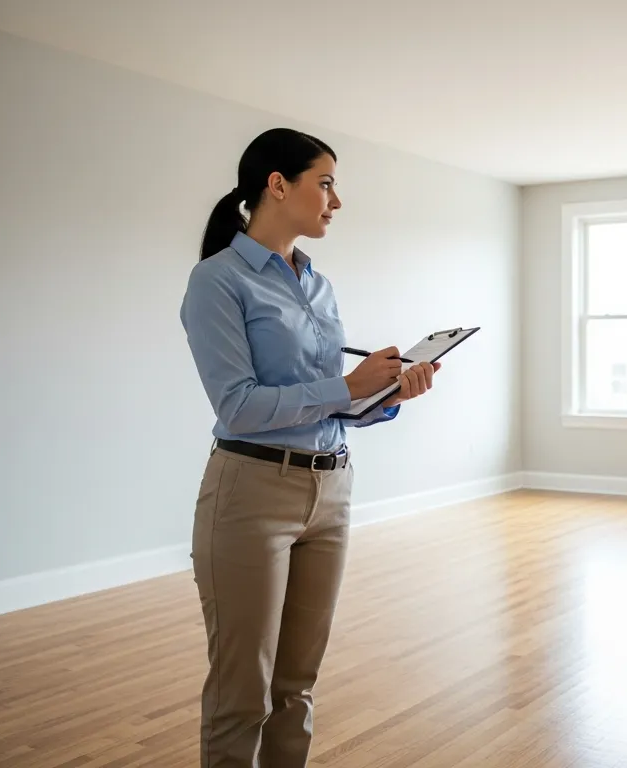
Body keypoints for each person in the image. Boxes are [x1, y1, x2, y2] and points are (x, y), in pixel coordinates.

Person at [179, 127, 439, 767]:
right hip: (251, 495)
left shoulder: (318, 285)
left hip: (332, 489)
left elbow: (326, 403)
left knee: (296, 687)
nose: (336, 201)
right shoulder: (217, 281)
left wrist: (384, 395)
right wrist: (347, 385)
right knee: (242, 692)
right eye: (325, 184)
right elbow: (237, 406)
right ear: (277, 185)